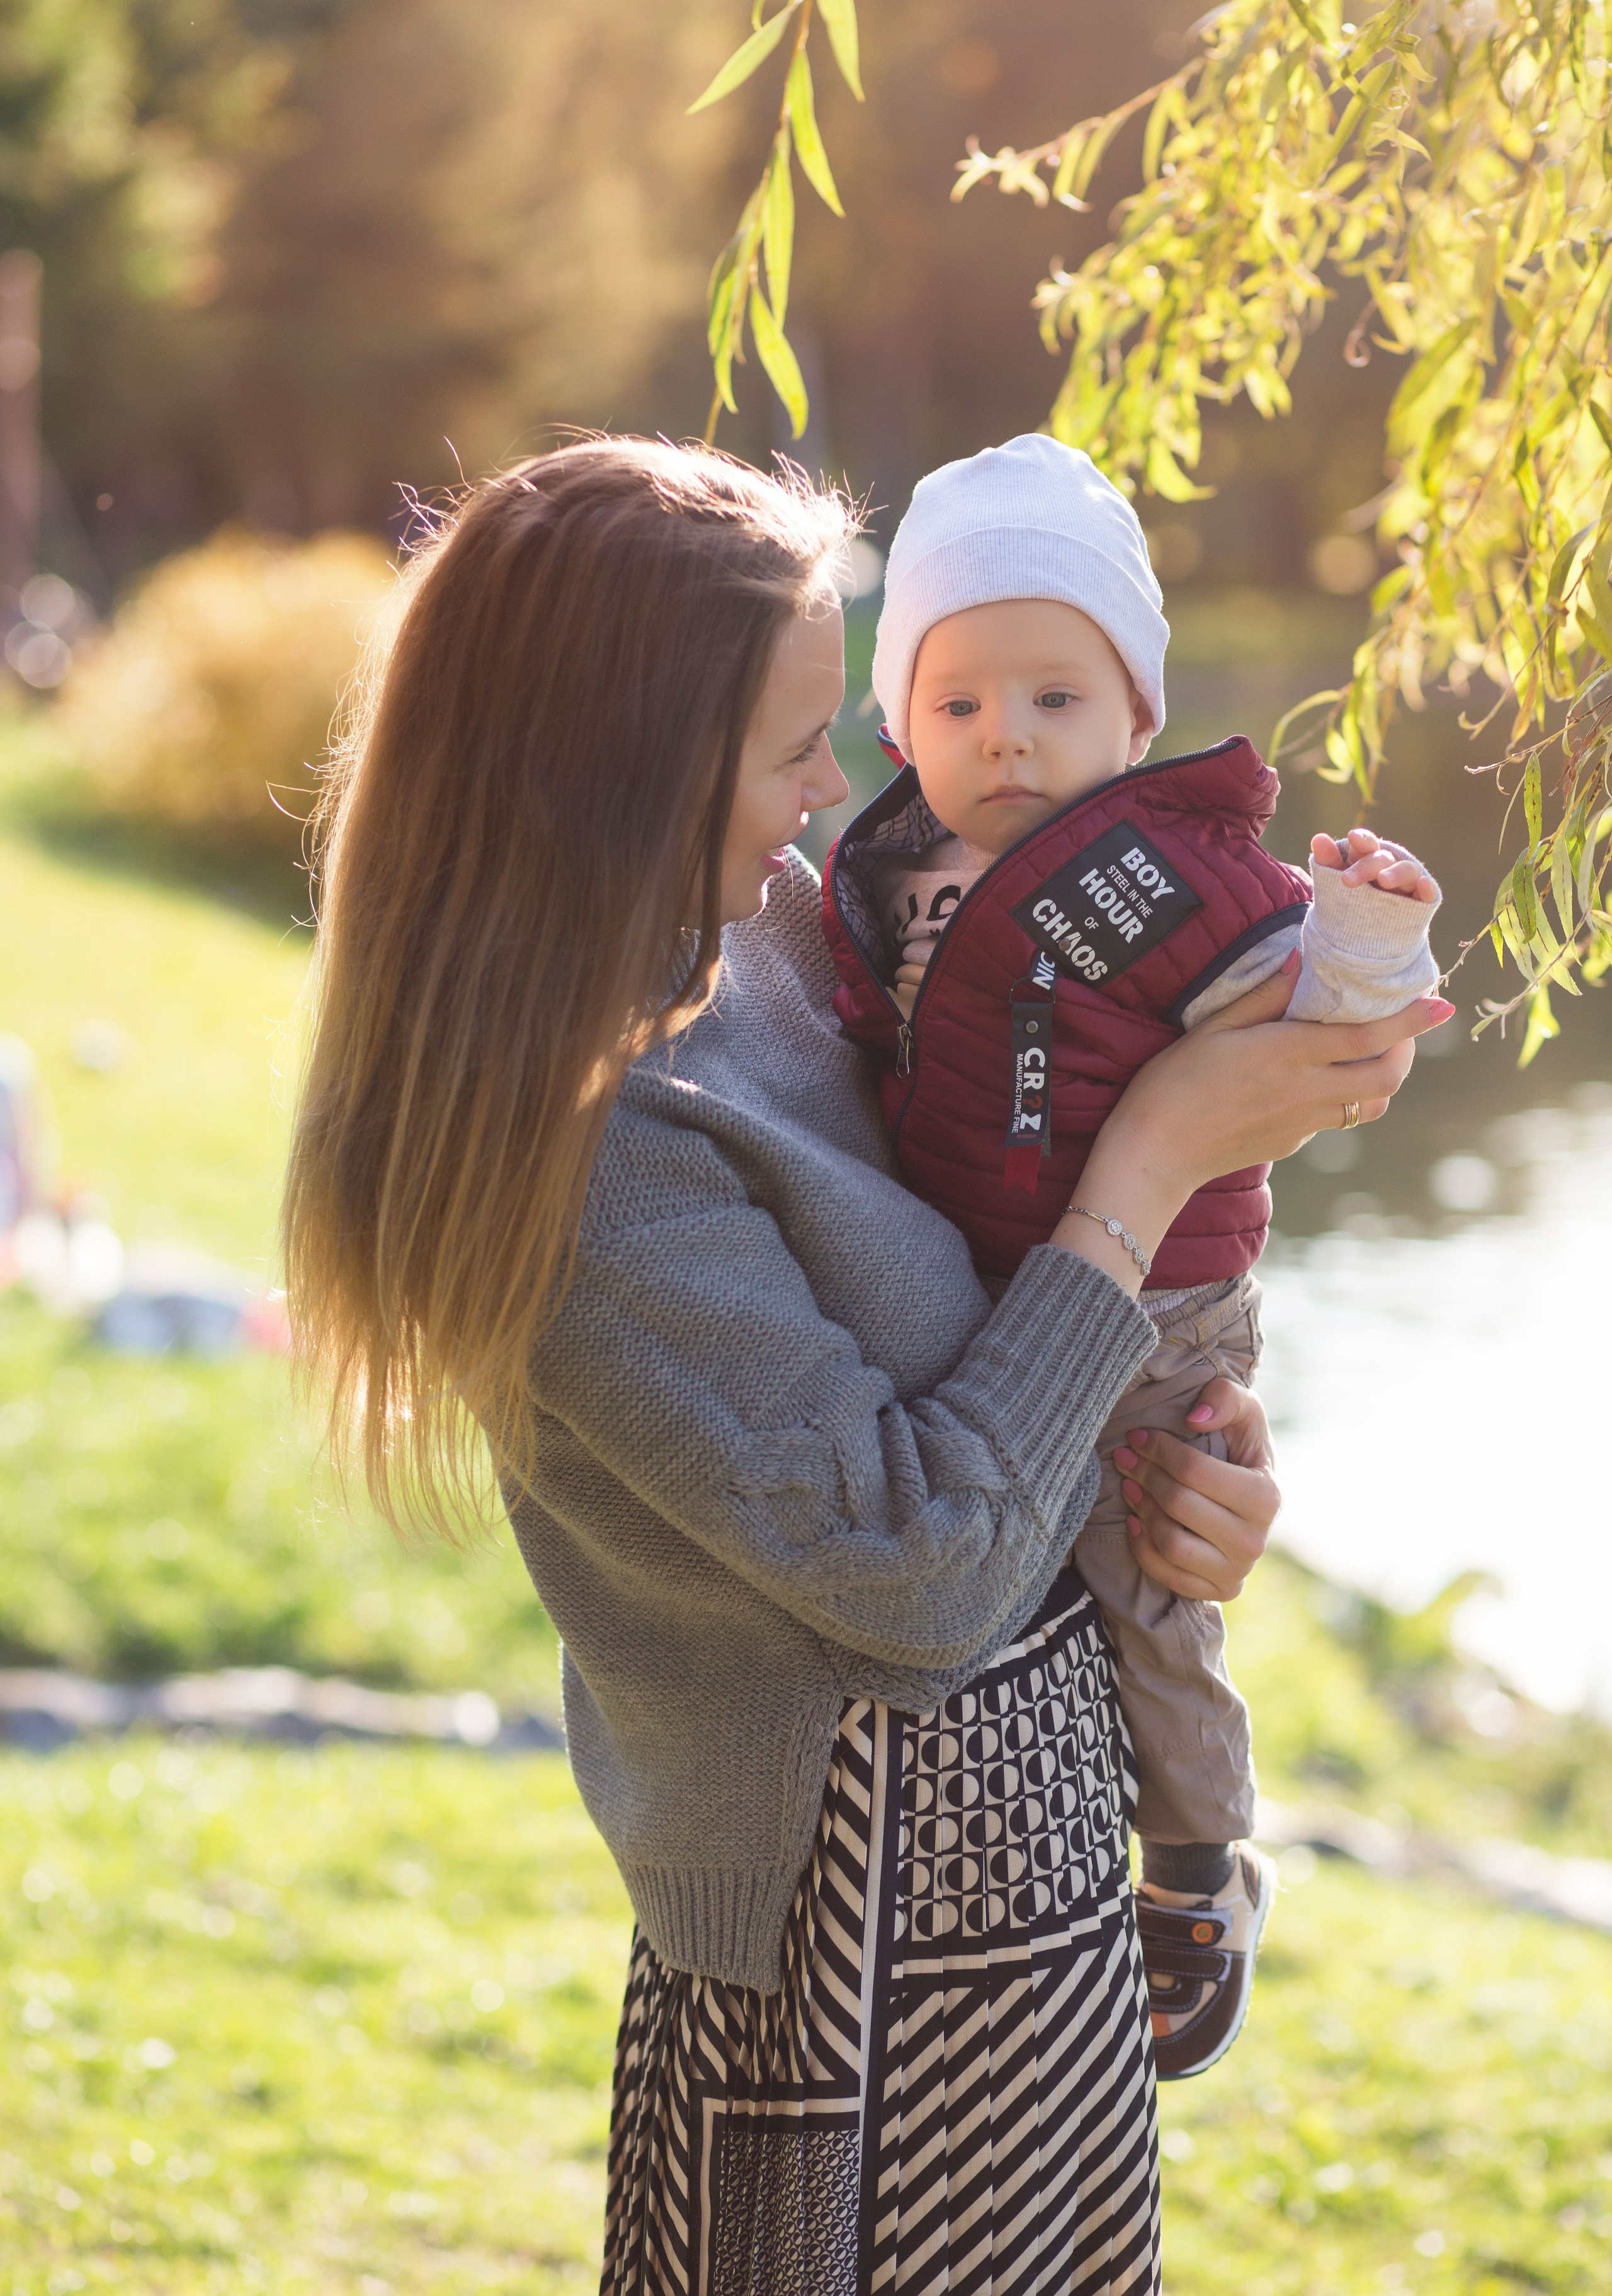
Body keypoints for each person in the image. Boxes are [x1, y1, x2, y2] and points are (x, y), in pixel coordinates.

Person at [282, 437, 1445, 2296]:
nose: (837, 793)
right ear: (620, 771)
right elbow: (917, 1574)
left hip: (1031, 1897)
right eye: (787, 751)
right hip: (853, 1966)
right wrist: (1154, 1159)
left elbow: (991, 1297)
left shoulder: (762, 944)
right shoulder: (592, 1149)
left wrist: (1178, 1462)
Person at [824, 433, 1444, 2079]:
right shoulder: (879, 879)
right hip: (987, 1294)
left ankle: (1197, 1862)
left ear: (1136, 722)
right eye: (959, 703)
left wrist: (1368, 934)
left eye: (1055, 698)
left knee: (1154, 1576)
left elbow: (1313, 1023)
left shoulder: (1156, 878)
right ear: (898, 725)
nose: (1007, 738)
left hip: (1158, 1301)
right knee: (1014, 1558)